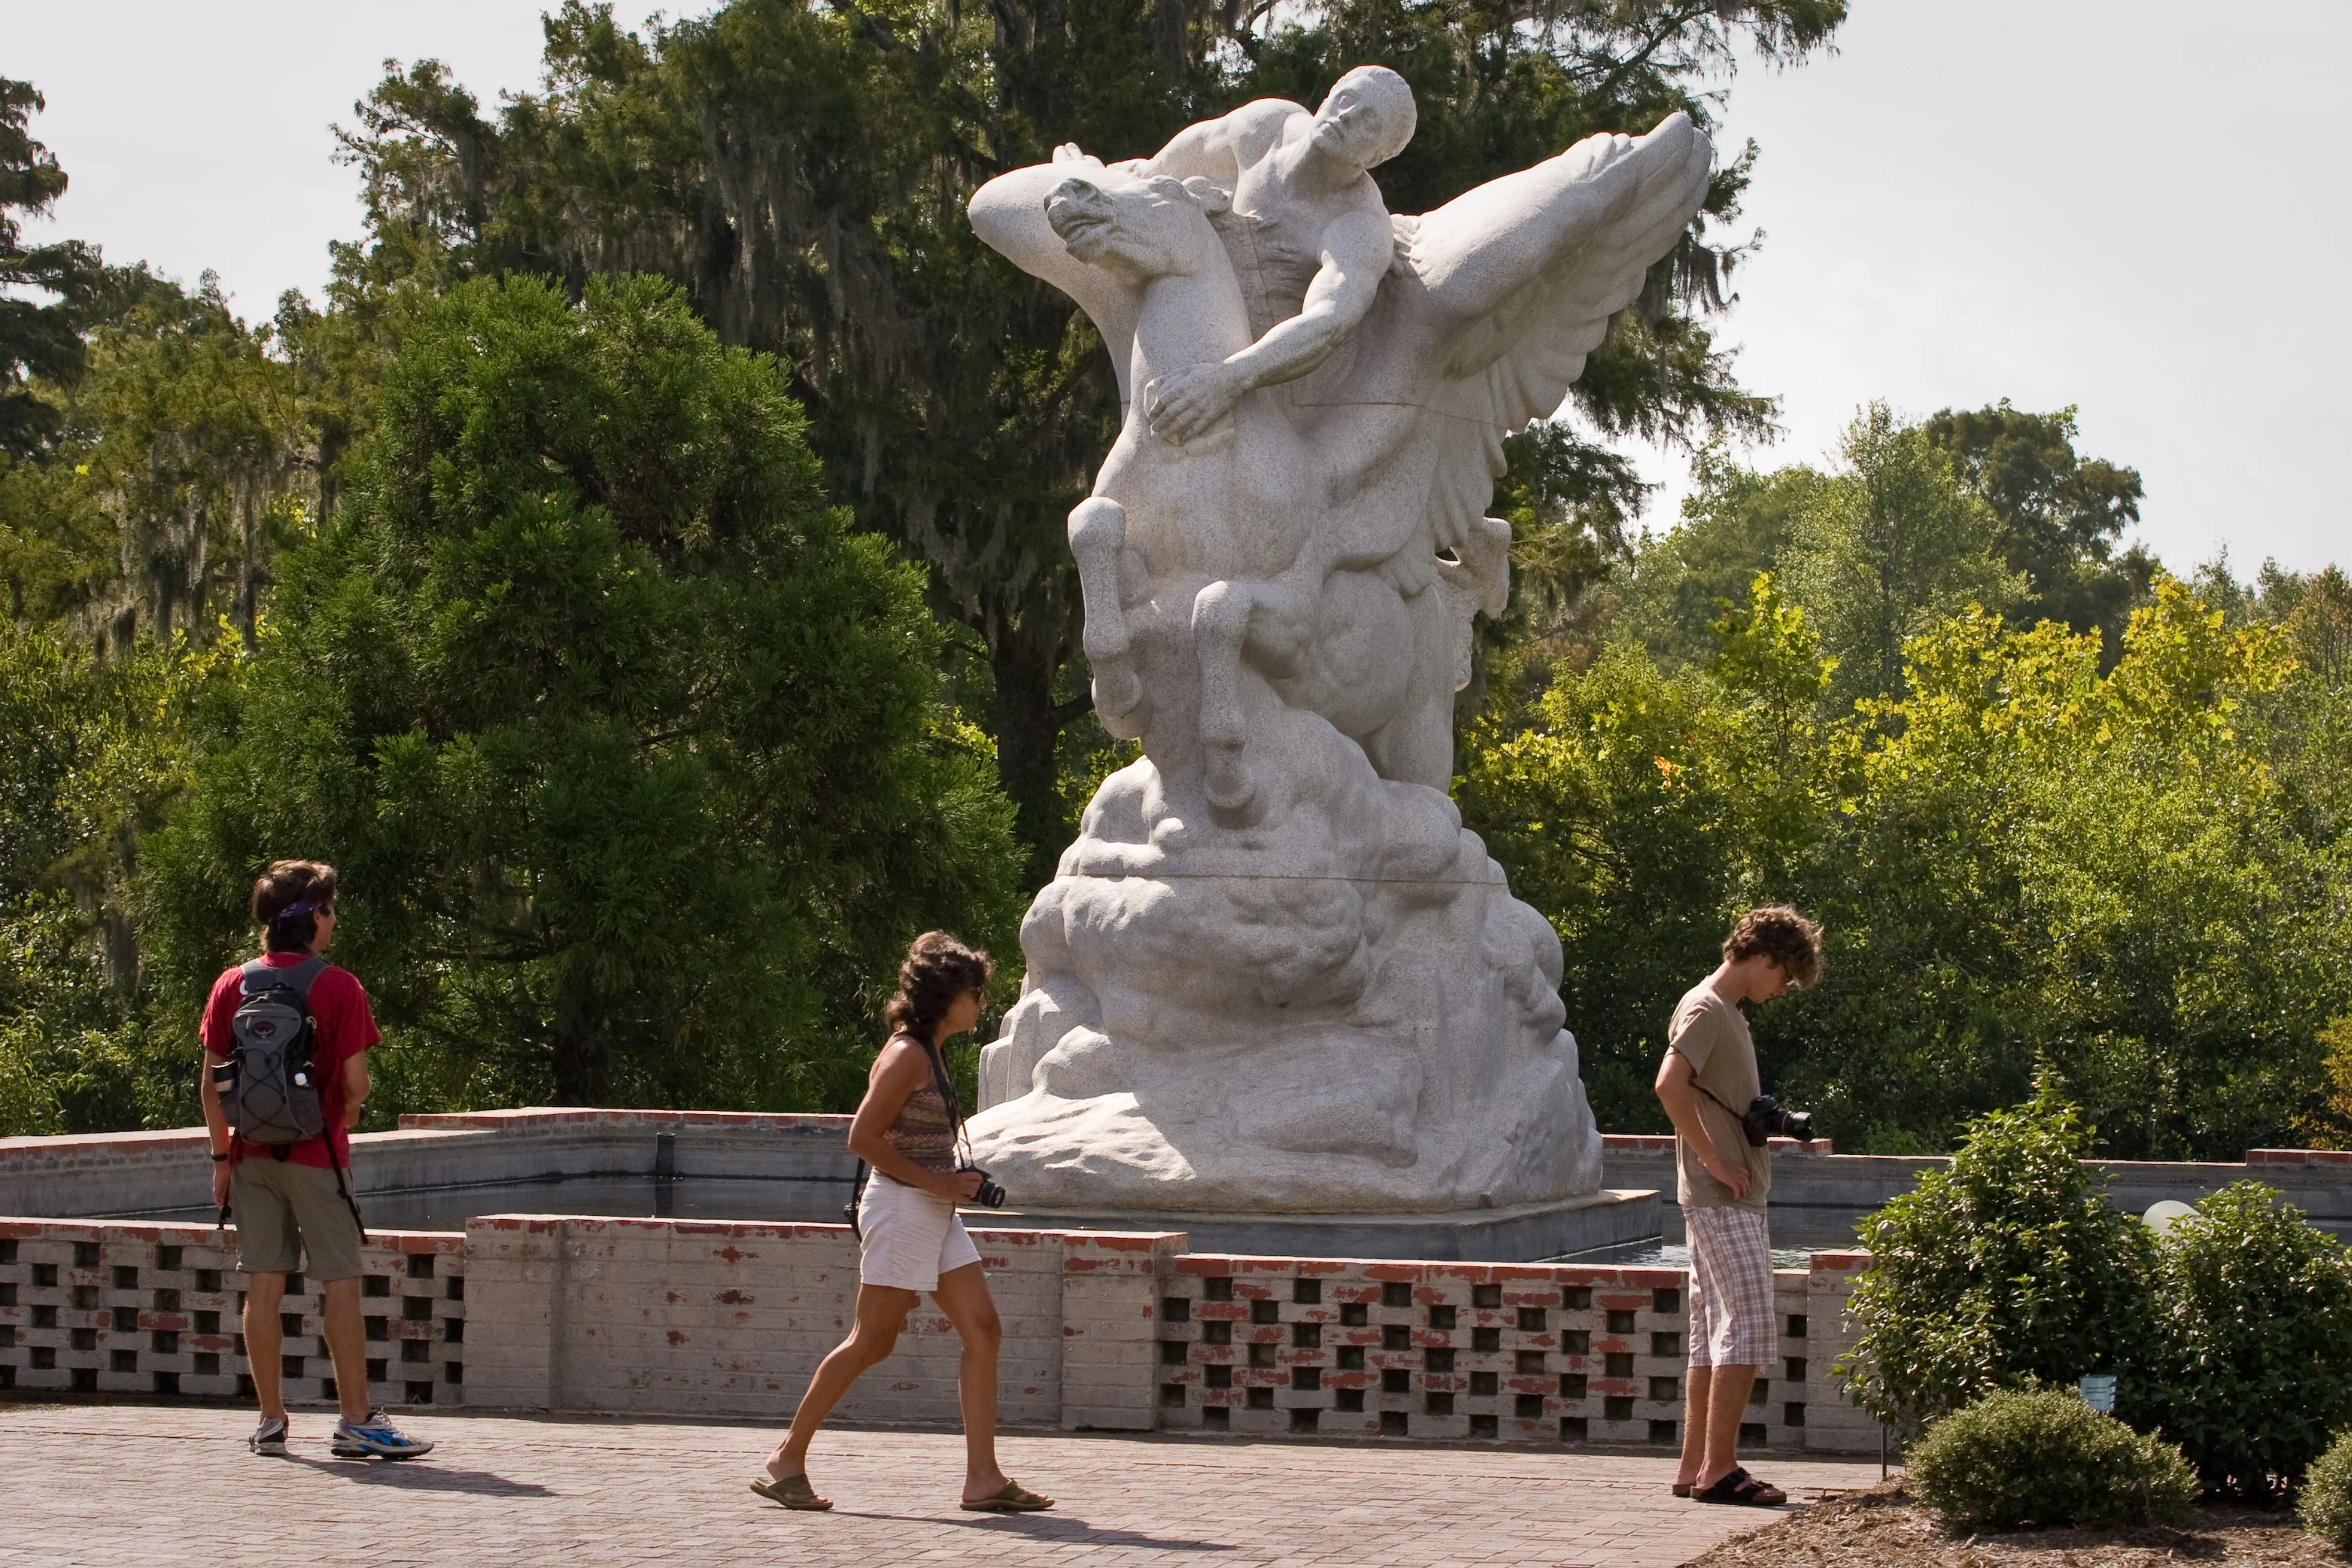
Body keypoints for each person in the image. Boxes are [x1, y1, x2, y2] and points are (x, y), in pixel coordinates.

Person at [750, 931, 1052, 1515]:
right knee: (872, 1340)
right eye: (973, 993)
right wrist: (940, 1182)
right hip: (903, 1206)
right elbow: (861, 1138)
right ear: (946, 996)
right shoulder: (906, 1053)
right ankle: (786, 1461)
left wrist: (950, 1181)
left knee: (983, 1331)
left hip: (931, 1209)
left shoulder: (930, 1052)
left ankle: (983, 1479)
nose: (979, 1004)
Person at [198, 858, 435, 1461]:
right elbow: (356, 1083)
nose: (334, 921)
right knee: (340, 1283)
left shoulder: (233, 984)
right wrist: (350, 1113)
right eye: (330, 911)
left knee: (265, 1284)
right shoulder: (337, 986)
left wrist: (223, 1156)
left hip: (251, 1154)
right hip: (317, 1154)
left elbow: (212, 1084)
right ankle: (356, 1420)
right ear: (314, 919)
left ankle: (271, 1419)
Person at [1120, 64, 1416, 444]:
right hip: (1186, 299)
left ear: (1377, 155)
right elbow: (1184, 154)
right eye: (1346, 99)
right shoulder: (1266, 124)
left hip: (1270, 376)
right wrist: (1128, 175)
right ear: (1329, 96)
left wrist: (1230, 378)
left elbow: (1328, 322)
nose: (1346, 117)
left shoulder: (1360, 225)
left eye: (1367, 124)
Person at [1653, 906, 1822, 1508]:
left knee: (1710, 1334)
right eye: (1785, 976)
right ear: (1764, 957)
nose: (1783, 990)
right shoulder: (1706, 1008)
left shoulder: (1723, 1012)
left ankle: (1695, 1465)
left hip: (1721, 1198)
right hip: (1723, 1198)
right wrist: (1715, 1162)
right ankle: (1720, 1471)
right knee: (1748, 1326)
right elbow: (1669, 1086)